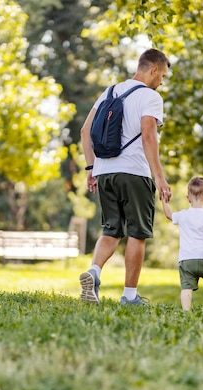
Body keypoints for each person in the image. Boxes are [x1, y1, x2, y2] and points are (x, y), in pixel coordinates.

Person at [78, 48, 172, 306]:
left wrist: (91, 169)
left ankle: (94, 272)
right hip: (134, 173)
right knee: (137, 233)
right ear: (153, 70)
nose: (161, 82)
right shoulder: (150, 97)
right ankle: (129, 296)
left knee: (111, 230)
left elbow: (85, 131)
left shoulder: (109, 91)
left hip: (105, 172)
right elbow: (148, 136)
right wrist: (160, 178)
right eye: (162, 76)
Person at [161, 176, 203, 311]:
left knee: (186, 287)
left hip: (187, 260)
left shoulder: (183, 215)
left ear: (188, 198)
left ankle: (186, 311)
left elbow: (169, 215)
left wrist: (165, 201)